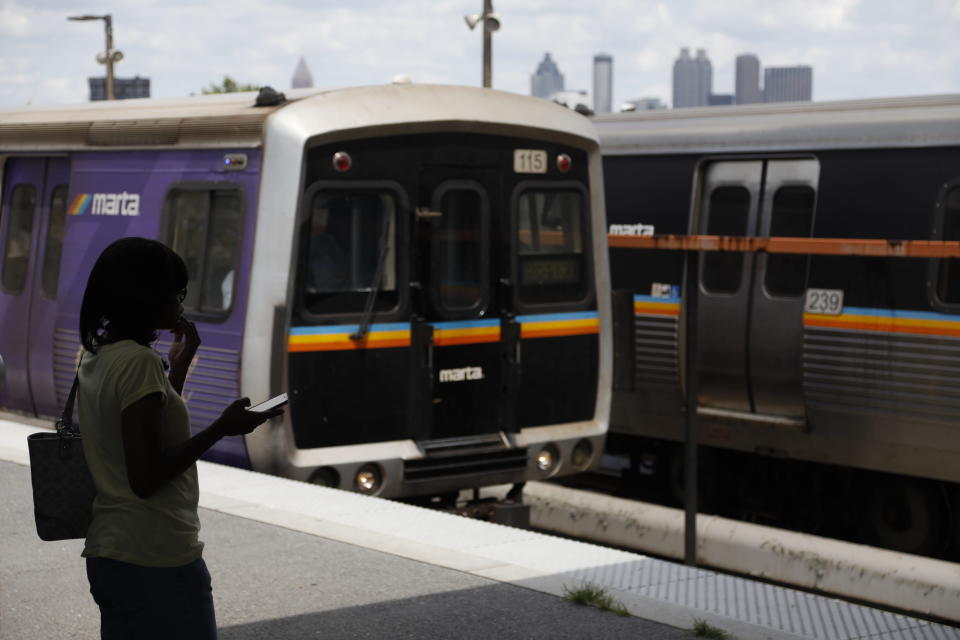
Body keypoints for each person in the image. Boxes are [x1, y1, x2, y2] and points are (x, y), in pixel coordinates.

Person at [77, 237, 283, 640]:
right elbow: (146, 476)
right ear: (146, 296)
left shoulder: (99, 355)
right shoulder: (138, 363)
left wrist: (179, 367)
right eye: (177, 291)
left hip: (113, 552)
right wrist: (221, 428)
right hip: (155, 556)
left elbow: (139, 429)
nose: (182, 302)